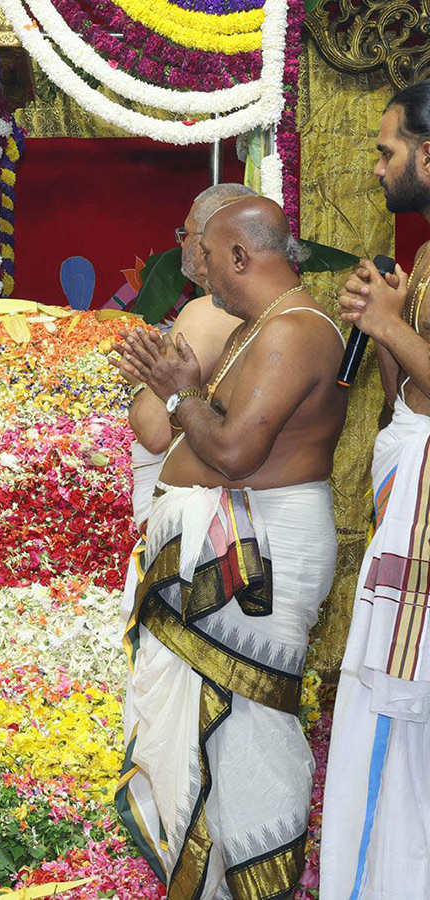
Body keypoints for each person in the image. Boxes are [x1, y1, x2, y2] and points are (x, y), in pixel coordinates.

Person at [115, 196, 347, 898]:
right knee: (211, 734)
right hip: (230, 549)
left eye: (208, 257)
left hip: (255, 564)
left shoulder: (296, 332)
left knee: (246, 730)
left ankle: (254, 884)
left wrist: (180, 393)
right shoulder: (260, 328)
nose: (201, 271)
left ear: (242, 257)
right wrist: (179, 390)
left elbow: (238, 452)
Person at [322, 78, 430, 900]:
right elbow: (408, 396)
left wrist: (391, 323)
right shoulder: (427, 254)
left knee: (408, 715)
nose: (378, 166)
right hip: (411, 476)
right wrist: (386, 324)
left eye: (387, 149)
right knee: (382, 715)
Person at [117, 184, 248, 527]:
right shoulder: (267, 307)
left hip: (195, 505)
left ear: (211, 241)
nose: (181, 243)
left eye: (186, 233)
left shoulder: (205, 311)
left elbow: (156, 431)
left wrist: (139, 380)